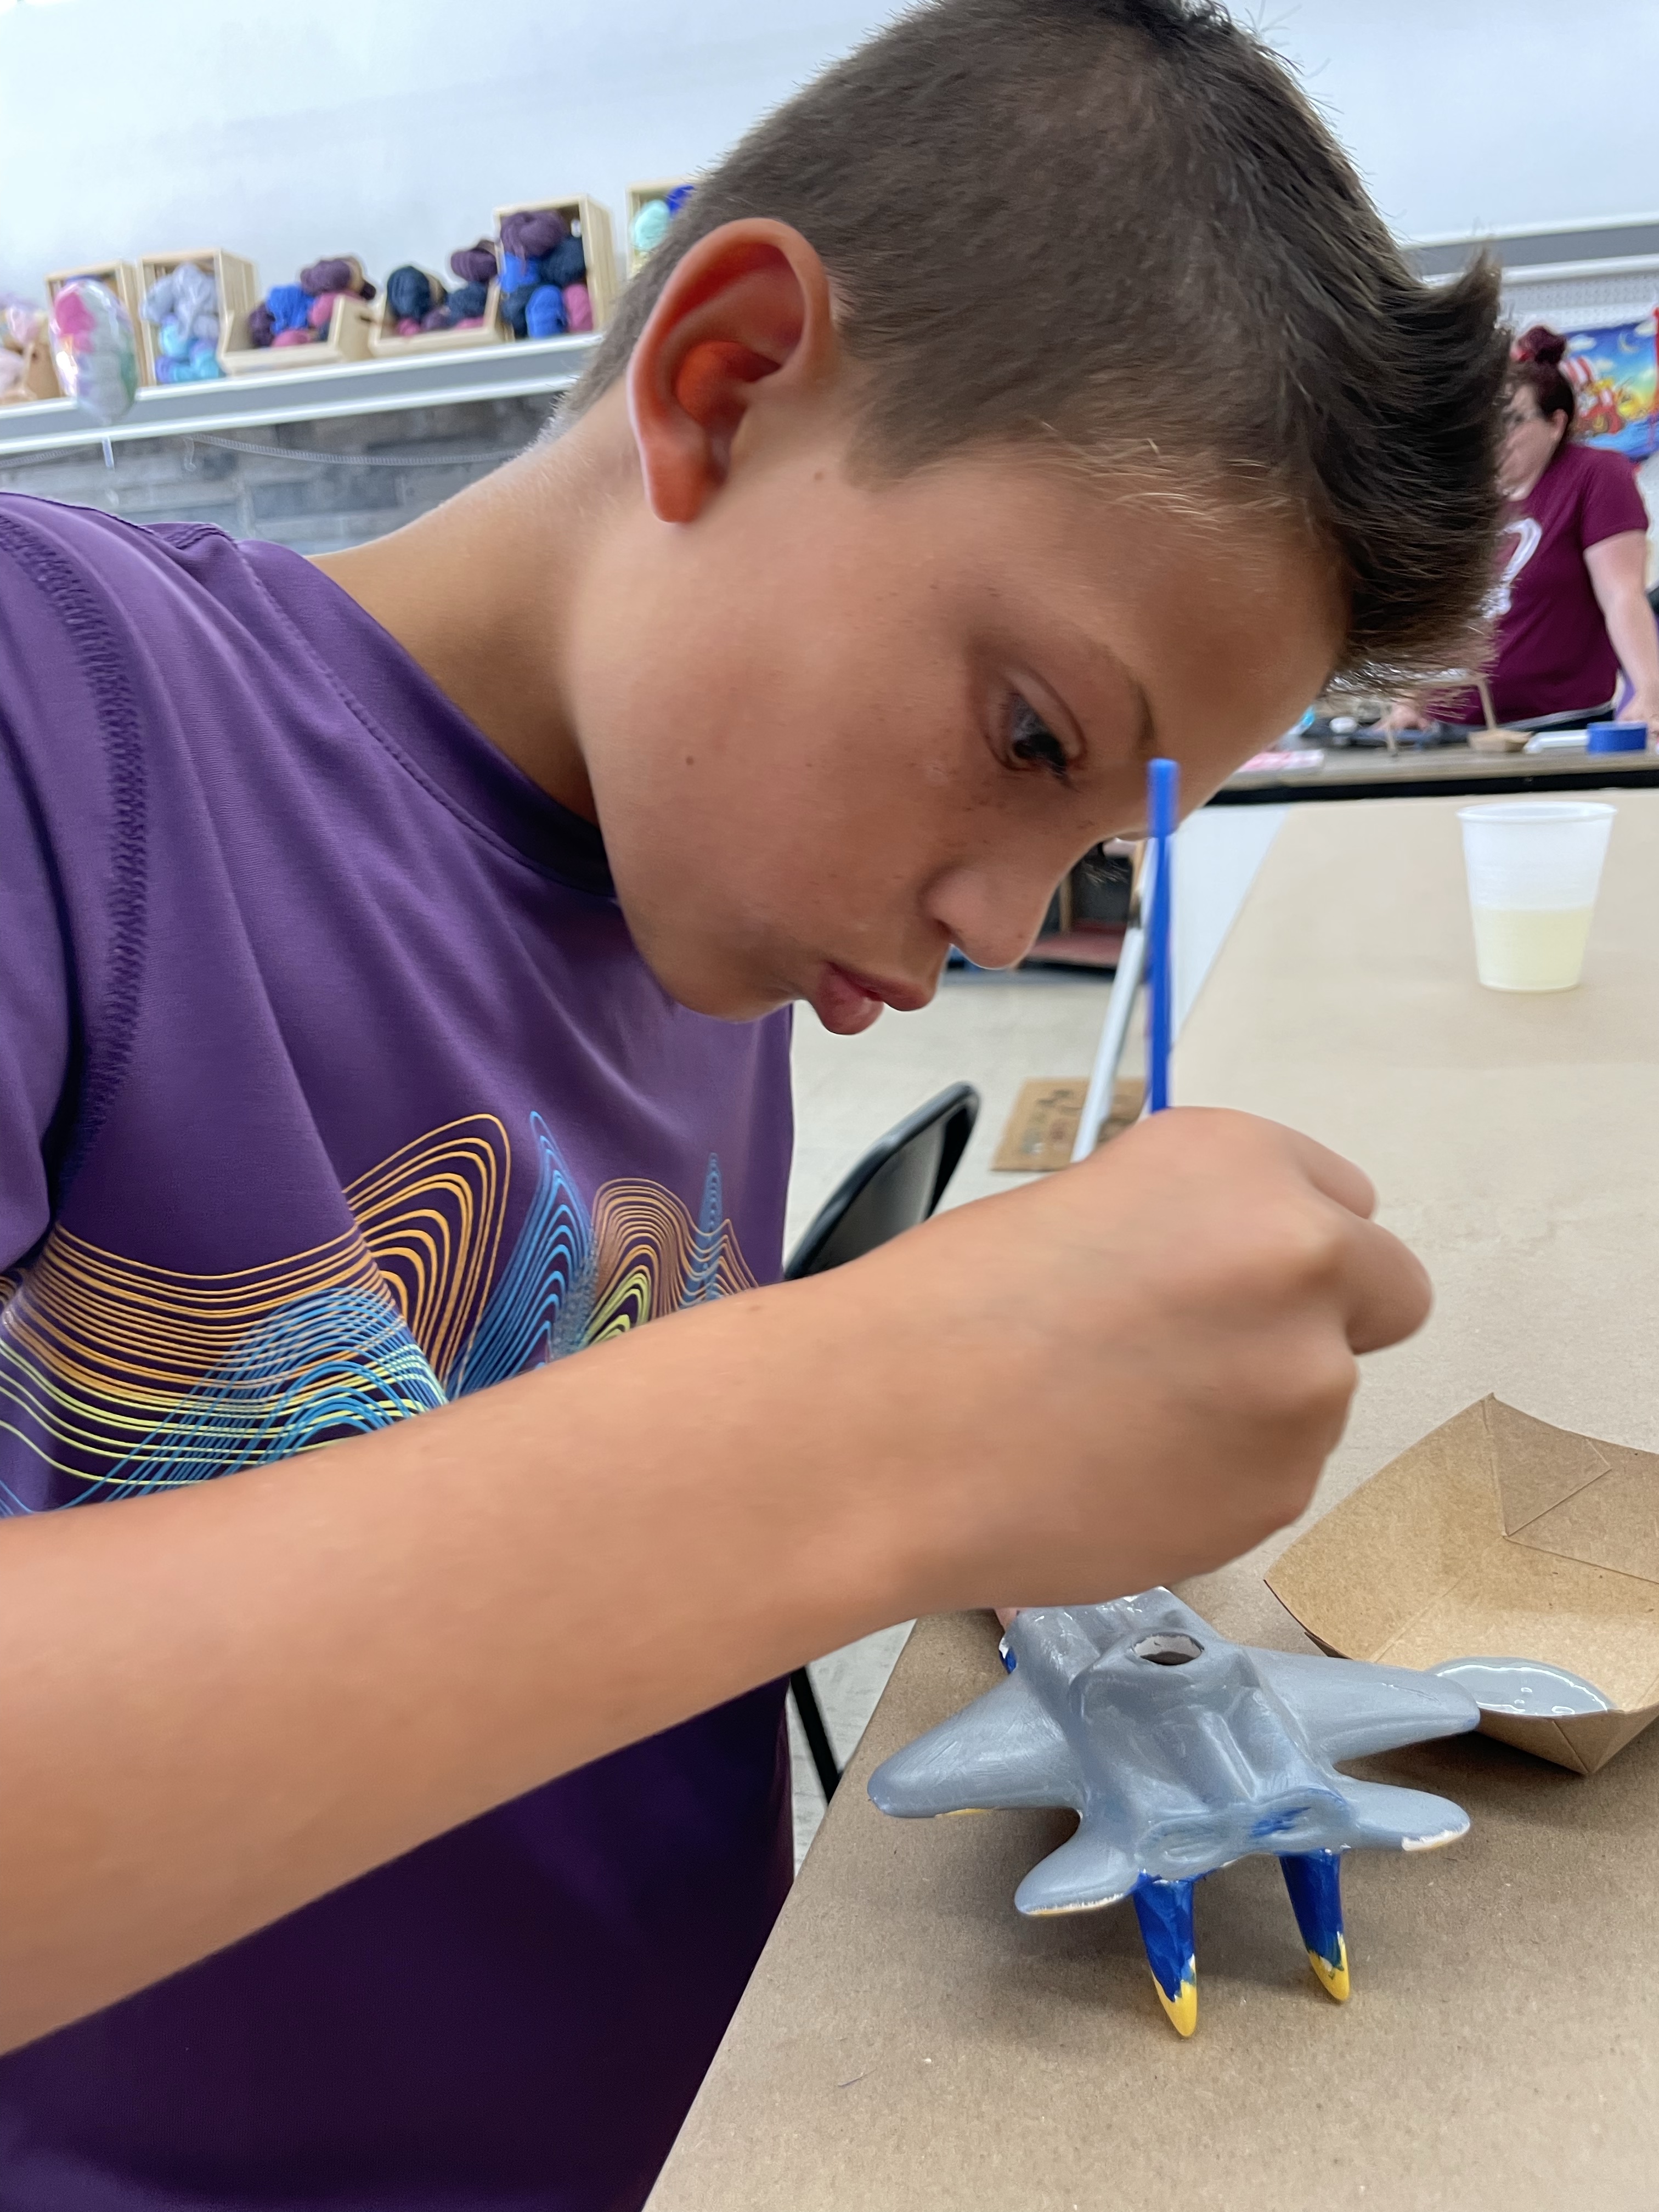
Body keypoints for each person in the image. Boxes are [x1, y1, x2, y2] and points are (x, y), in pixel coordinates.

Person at [0, 3, 1505, 2206]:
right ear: (722, 384)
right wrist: (898, 1409)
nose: (999, 923)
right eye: (1028, 736)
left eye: (1095, 836)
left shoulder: (701, 901)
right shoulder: (60, 714)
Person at [1385, 325, 1659, 738]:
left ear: (1556, 423)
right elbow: (1437, 612)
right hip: (1453, 731)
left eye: (1511, 421)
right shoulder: (1463, 493)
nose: (1496, 436)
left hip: (1556, 728)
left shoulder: (1594, 476)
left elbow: (1621, 594)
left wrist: (1650, 691)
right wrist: (1408, 702)